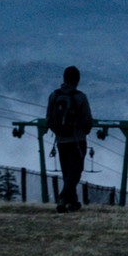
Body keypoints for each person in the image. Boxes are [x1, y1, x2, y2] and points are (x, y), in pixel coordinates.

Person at [46, 65, 93, 213]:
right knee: (75, 171)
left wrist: (59, 131)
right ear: (77, 80)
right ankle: (63, 198)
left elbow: (48, 119)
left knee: (67, 172)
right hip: (78, 141)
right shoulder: (80, 97)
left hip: (60, 141)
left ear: (64, 78)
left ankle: (73, 203)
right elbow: (87, 121)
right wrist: (83, 131)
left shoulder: (54, 96)